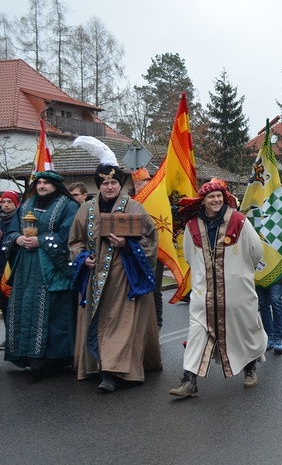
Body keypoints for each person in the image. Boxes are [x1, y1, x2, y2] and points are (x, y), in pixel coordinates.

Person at [69, 150, 162, 393]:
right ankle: (98, 364)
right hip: (94, 278)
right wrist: (82, 258)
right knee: (98, 320)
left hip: (124, 275)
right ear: (98, 185)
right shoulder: (86, 209)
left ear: (120, 184)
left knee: (120, 323)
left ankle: (112, 372)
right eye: (105, 183)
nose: (109, 187)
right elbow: (75, 241)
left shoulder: (134, 207)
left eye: (113, 182)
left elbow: (151, 240)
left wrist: (127, 245)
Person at [168, 178, 267, 397]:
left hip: (237, 292)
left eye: (219, 196)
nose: (215, 200)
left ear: (224, 198)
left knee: (245, 330)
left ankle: (250, 369)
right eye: (211, 197)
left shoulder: (239, 221)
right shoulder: (192, 225)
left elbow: (256, 250)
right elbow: (189, 255)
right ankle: (189, 381)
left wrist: (240, 272)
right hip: (204, 294)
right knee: (196, 333)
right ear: (202, 201)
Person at [2, 173, 79, 378]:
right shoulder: (27, 204)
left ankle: (52, 359)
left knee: (51, 310)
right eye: (39, 183)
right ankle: (26, 355)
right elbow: (11, 231)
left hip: (52, 267)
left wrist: (42, 241)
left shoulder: (68, 206)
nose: (42, 186)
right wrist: (18, 239)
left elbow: (69, 235)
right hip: (25, 265)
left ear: (55, 185)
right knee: (23, 306)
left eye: (46, 183)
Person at [131, 167, 164, 329]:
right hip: (135, 250)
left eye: (145, 183)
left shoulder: (158, 199)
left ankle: (156, 324)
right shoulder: (130, 202)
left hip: (157, 250)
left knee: (155, 288)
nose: (141, 187)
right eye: (139, 184)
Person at [0, 190, 20, 350]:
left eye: (9, 202)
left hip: (12, 267)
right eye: (3, 202)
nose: (6, 205)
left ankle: (13, 338)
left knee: (11, 304)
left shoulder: (19, 219)